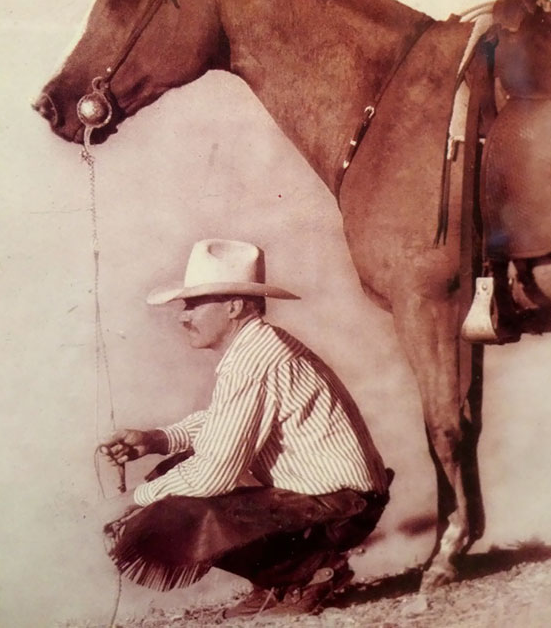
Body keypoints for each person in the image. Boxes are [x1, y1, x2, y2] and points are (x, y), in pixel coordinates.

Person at [101, 238, 391, 619]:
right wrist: (157, 439)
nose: (182, 317)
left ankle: (307, 575)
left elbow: (213, 473)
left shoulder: (252, 360)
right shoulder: (260, 346)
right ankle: (278, 581)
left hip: (341, 507)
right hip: (343, 499)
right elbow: (227, 423)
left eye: (192, 305)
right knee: (173, 476)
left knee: (171, 508)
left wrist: (137, 499)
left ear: (234, 307)